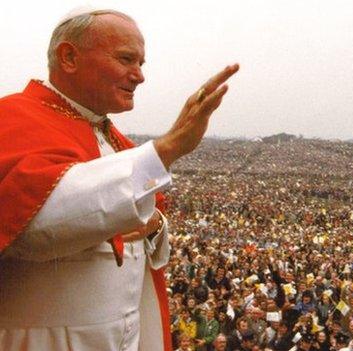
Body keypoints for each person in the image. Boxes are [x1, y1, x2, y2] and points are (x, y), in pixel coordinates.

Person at [0, 7, 238, 351]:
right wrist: (166, 149)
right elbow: (34, 224)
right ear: (69, 57)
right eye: (127, 59)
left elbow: (138, 224)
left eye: (141, 64)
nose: (139, 76)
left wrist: (155, 224)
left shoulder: (111, 138)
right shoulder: (12, 118)